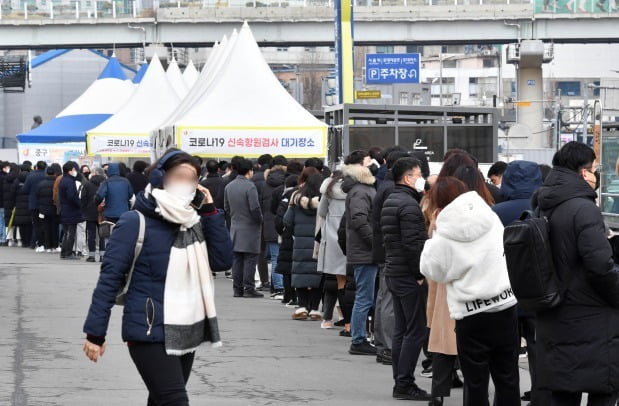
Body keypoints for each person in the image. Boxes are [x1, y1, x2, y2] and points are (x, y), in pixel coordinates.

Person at [83, 149, 223, 405]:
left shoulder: (193, 221)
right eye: (179, 176)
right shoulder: (134, 221)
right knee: (174, 400)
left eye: (192, 179)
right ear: (161, 178)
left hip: (185, 328)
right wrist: (95, 334)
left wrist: (211, 212)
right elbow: (109, 279)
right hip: (149, 329)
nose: (186, 183)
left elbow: (222, 261)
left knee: (161, 400)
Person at [421, 177, 520, 406]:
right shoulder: (490, 217)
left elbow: (433, 271)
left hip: (471, 312)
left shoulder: (445, 232)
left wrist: (433, 234)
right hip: (504, 303)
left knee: (475, 381)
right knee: (507, 376)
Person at [533, 142, 619, 406]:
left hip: (554, 310)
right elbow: (600, 266)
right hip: (591, 317)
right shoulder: (584, 208)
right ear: (583, 173)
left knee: (563, 390)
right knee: (603, 390)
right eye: (593, 169)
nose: (595, 175)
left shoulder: (544, 203)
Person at [380, 157, 431, 401]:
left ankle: (400, 380)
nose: (421, 177)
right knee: (415, 330)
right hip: (408, 274)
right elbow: (413, 245)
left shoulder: (392, 199)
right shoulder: (409, 205)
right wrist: (419, 274)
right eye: (419, 174)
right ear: (408, 177)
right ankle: (405, 382)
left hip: (394, 270)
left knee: (402, 329)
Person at [371, 150, 410, 366]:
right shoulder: (391, 190)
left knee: (382, 297)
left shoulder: (383, 186)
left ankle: (381, 344)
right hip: (390, 251)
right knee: (387, 299)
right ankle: (387, 347)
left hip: (382, 249)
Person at [341, 150, 378, 356]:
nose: (371, 163)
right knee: (364, 297)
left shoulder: (359, 189)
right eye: (367, 161)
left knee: (365, 296)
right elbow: (359, 219)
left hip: (362, 250)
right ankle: (358, 339)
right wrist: (374, 242)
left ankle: (359, 337)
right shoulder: (361, 191)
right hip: (365, 250)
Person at [284, 169, 323, 320]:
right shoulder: (324, 199)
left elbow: (287, 221)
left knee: (300, 273)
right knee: (317, 275)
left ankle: (302, 307)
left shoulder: (296, 197)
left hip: (300, 242)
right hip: (318, 243)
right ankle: (314, 308)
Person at [224, 158, 264, 298]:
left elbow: (226, 208)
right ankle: (249, 288)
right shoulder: (250, 186)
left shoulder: (229, 186)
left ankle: (237, 289)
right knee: (250, 259)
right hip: (250, 227)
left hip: (235, 227)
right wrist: (260, 220)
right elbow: (255, 207)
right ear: (249, 171)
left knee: (237, 259)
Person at [317, 171, 347, 329]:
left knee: (332, 280)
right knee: (351, 282)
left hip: (332, 237)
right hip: (350, 238)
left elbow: (321, 212)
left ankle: (327, 318)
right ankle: (346, 318)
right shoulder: (356, 190)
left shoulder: (328, 190)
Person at [259, 155, 288, 299]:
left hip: (269, 225)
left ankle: (277, 287)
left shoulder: (264, 185)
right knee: (285, 256)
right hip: (286, 224)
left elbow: (260, 206)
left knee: (275, 257)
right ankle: (281, 286)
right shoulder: (287, 185)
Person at [58, 163, 83, 260]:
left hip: (65, 209)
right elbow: (72, 196)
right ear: (71, 170)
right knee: (71, 232)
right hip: (71, 210)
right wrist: (79, 204)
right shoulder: (69, 181)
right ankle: (68, 253)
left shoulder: (63, 180)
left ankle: (64, 252)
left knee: (66, 232)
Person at [23, 160, 47, 250]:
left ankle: (36, 243)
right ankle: (45, 243)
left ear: (36, 167)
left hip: (33, 204)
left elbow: (24, 189)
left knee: (36, 224)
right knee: (45, 224)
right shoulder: (47, 176)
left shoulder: (31, 176)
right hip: (45, 204)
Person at [36, 166, 60, 252]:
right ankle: (55, 245)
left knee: (46, 228)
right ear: (55, 174)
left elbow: (37, 195)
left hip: (43, 209)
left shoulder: (41, 184)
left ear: (46, 173)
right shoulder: (57, 183)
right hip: (54, 209)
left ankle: (47, 246)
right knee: (54, 228)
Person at [13, 167, 32, 248]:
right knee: (28, 225)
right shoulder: (29, 181)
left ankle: (23, 242)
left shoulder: (16, 182)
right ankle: (28, 241)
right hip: (28, 206)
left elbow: (12, 192)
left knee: (21, 225)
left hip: (19, 206)